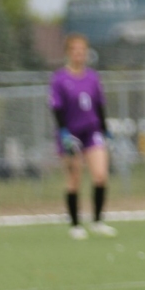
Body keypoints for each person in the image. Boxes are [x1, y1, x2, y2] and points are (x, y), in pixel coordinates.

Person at [50, 34, 117, 239]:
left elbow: (99, 105)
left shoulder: (93, 77)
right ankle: (75, 225)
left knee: (100, 175)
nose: (79, 54)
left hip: (92, 131)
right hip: (71, 134)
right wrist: (63, 132)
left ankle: (97, 221)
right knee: (74, 178)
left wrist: (105, 129)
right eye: (75, 50)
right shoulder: (60, 79)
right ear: (68, 53)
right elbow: (57, 108)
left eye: (82, 50)